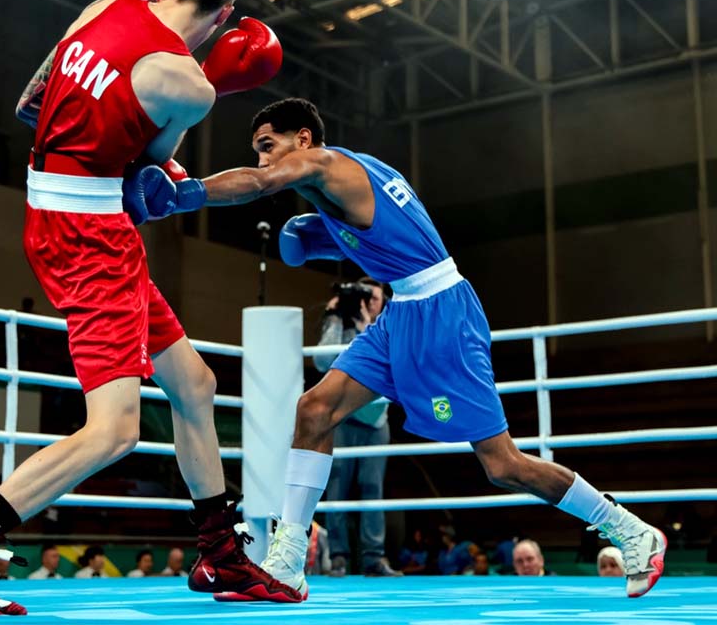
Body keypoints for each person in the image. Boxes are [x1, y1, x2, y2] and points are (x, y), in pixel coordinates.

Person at [125, 97, 667, 601]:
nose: (264, 159)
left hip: (442, 313)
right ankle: (289, 564)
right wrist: (317, 235)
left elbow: (259, 183)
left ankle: (631, 530)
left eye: (269, 145)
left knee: (502, 464)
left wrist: (186, 194)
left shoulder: (327, 164)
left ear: (303, 139)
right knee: (314, 410)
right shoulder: (346, 185)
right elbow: (372, 241)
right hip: (402, 311)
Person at [0, 0, 296, 616]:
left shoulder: (107, 8)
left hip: (55, 212)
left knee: (195, 384)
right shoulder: (190, 86)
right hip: (92, 238)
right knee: (114, 431)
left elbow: (31, 103)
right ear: (223, 15)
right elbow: (148, 175)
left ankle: (219, 551)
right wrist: (204, 87)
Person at [315, 278, 398, 578]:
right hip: (344, 418)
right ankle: (338, 557)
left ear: (384, 301)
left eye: (374, 297)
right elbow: (322, 360)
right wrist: (334, 316)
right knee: (337, 487)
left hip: (376, 421)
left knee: (373, 488)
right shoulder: (343, 328)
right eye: (365, 296)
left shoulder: (391, 325)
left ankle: (374, 558)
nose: (369, 302)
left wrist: (366, 327)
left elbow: (390, 363)